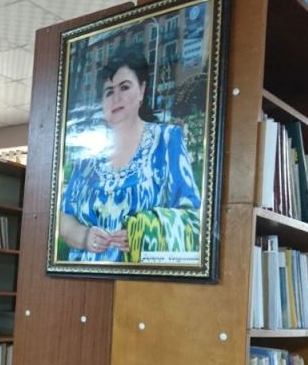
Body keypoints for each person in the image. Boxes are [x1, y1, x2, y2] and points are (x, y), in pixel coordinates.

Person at [59, 50, 201, 262]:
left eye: (124, 87)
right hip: (86, 278)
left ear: (142, 89)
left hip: (142, 279)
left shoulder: (166, 140)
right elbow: (63, 218)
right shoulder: (87, 158)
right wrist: (85, 237)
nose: (116, 98)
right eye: (109, 92)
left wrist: (143, 233)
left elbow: (194, 219)